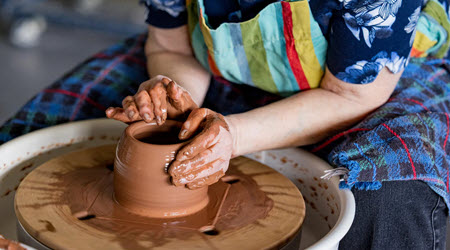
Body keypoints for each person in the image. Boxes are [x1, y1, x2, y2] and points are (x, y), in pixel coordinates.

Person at [1, 0, 450, 248]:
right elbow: (171, 47)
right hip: (215, 66)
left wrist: (234, 135)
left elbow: (351, 95)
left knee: (388, 193)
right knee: (36, 134)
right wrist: (169, 92)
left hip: (369, 81)